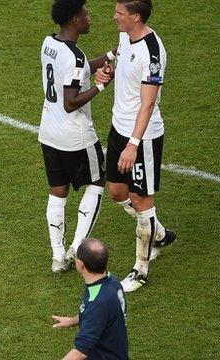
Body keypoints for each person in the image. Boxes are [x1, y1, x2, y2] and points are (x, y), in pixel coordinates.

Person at [95, 0, 175, 292]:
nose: (114, 16)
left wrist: (133, 145)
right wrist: (108, 72)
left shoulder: (153, 52)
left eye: (119, 13)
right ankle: (160, 233)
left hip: (142, 137)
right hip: (119, 127)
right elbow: (123, 66)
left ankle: (140, 270)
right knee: (117, 191)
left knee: (142, 200)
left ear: (136, 16)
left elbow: (148, 103)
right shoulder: (125, 37)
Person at [40, 0, 116, 273]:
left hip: (49, 132)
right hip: (76, 136)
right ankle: (77, 246)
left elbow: (81, 66)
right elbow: (71, 102)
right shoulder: (73, 57)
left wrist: (111, 55)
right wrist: (100, 85)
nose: (89, 17)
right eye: (85, 13)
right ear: (74, 19)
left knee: (58, 192)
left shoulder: (50, 43)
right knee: (97, 181)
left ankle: (58, 257)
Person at [52, 238, 129, 360]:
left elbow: (80, 352)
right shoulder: (113, 282)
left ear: (80, 264)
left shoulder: (97, 301)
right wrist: (73, 320)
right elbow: (104, 315)